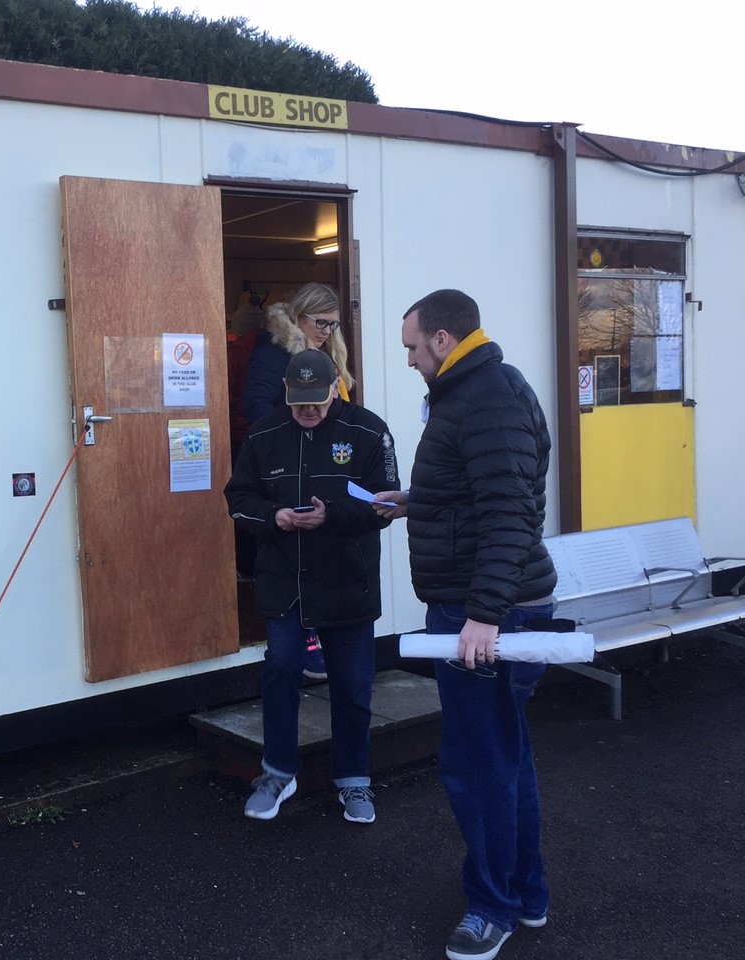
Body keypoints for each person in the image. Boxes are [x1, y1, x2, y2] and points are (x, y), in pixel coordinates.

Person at [371, 289, 558, 960]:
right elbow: (478, 494)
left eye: (413, 347)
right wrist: (413, 501)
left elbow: (510, 513)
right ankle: (525, 895)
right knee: (505, 758)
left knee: (478, 765)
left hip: (486, 613)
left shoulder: (485, 397)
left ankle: (492, 908)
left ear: (444, 339)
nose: (411, 359)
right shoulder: (475, 393)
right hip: (488, 604)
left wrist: (482, 615)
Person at [225, 349, 399, 823]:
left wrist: (332, 516)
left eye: (317, 403)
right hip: (285, 578)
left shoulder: (367, 430)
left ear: (334, 390)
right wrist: (272, 516)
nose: (308, 412)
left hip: (348, 577)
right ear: (285, 391)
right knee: (281, 666)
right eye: (299, 402)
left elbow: (384, 504)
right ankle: (278, 772)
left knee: (353, 681)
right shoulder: (264, 433)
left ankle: (354, 780)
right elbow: (238, 498)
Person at [239, 281, 356, 678]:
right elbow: (255, 405)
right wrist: (290, 442)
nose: (327, 331)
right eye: (321, 322)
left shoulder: (326, 353)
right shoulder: (276, 353)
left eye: (334, 325)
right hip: (293, 462)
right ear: (300, 316)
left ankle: (321, 631)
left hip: (329, 460)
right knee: (295, 550)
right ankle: (304, 638)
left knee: (325, 548)